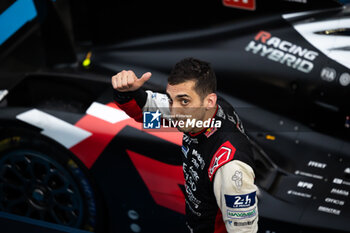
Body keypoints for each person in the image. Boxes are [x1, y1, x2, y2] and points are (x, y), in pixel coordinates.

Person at [111, 57, 258, 233]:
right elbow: (146, 116)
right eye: (171, 100)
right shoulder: (199, 113)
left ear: (209, 101)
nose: (174, 111)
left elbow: (244, 231)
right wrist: (127, 93)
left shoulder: (230, 166)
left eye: (184, 101)